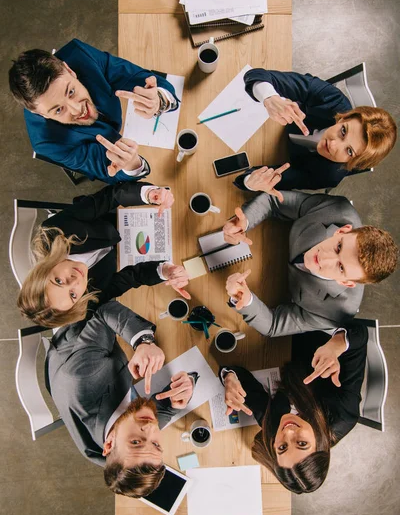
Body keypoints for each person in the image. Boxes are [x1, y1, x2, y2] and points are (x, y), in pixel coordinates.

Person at [46, 299, 196, 497]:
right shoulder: (121, 453)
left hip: (76, 323)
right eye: (156, 444)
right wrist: (186, 388)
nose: (152, 429)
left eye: (136, 442)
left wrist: (144, 342)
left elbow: (104, 311)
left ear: (108, 445)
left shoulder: (84, 378)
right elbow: (167, 409)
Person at [223, 184, 398, 336]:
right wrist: (244, 224)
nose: (324, 258)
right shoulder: (338, 209)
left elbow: (274, 325)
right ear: (342, 231)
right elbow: (274, 201)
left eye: (341, 268)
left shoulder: (335, 312)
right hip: (269, 237)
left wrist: (246, 301)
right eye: (338, 247)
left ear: (348, 283)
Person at [17, 180, 189, 328]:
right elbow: (133, 278)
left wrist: (149, 194)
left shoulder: (54, 232)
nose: (75, 281)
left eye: (59, 281)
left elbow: (111, 197)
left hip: (110, 217)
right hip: (128, 249)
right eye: (72, 295)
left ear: (43, 269)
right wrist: (165, 271)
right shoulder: (88, 300)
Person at [220, 325, 368, 494]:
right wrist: (337, 344)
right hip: (325, 327)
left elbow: (240, 378)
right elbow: (361, 333)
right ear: (320, 444)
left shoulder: (272, 427)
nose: (288, 432)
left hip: (289, 335)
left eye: (282, 447)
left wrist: (229, 378)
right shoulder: (343, 414)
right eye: (302, 443)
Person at [8, 39, 179, 183]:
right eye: (59, 109)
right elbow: (107, 170)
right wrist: (132, 165)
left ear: (69, 70)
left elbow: (138, 78)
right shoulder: (48, 142)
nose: (78, 109)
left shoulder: (81, 56)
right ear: (41, 115)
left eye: (71, 92)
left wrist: (159, 100)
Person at [234, 68, 397, 192]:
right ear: (344, 117)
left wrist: (249, 181)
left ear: (354, 162)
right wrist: (269, 98)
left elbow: (279, 178)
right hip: (271, 125)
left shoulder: (329, 175)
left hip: (282, 156)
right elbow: (256, 75)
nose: (333, 146)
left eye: (349, 151)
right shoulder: (332, 99)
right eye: (343, 132)